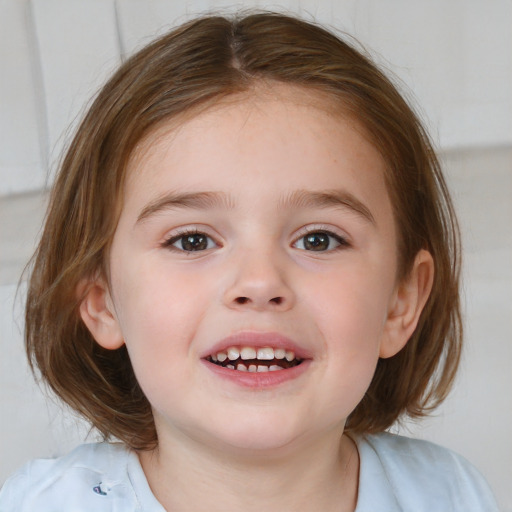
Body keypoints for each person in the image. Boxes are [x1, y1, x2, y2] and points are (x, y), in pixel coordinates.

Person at [0, 11, 498, 512]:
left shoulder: (449, 495)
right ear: (102, 302)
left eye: (319, 240)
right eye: (192, 241)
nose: (259, 283)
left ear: (401, 301)